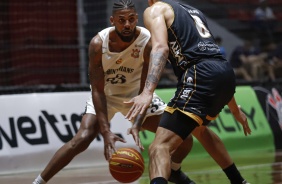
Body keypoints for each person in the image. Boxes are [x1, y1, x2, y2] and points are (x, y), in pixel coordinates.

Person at [33, 1, 249, 184]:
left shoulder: (150, 28)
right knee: (83, 138)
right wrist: (106, 130)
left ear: (137, 16)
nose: (127, 24)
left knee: (174, 142)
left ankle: (173, 171)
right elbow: (98, 90)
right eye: (121, 20)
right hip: (109, 94)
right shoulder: (99, 43)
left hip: (140, 92)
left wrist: (140, 112)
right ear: (112, 21)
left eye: (131, 19)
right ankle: (39, 180)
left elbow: (156, 61)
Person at [124, 0, 252, 184]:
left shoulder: (155, 9)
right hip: (224, 72)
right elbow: (211, 63)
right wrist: (235, 110)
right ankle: (238, 181)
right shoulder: (194, 11)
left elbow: (161, 48)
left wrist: (147, 92)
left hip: (199, 75)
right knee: (200, 130)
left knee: (159, 147)